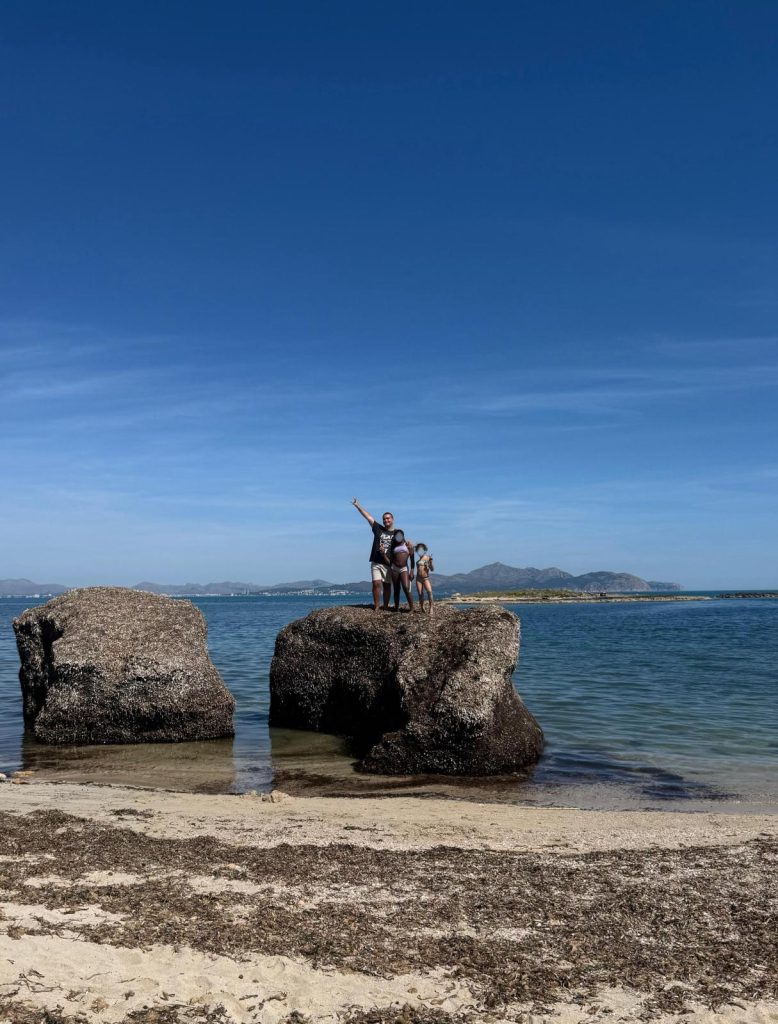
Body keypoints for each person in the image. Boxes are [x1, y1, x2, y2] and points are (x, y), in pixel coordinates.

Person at [351, 498, 395, 610]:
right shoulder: (378, 528)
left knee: (387, 586)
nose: (386, 520)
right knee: (376, 584)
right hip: (376, 562)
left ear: (392, 519)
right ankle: (376, 607)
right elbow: (368, 517)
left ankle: (385, 606)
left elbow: (401, 548)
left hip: (388, 563)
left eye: (388, 518)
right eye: (384, 519)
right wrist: (358, 505)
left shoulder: (396, 533)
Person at [388, 529, 415, 611]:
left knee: (406, 587)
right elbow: (391, 559)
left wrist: (412, 571)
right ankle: (396, 608)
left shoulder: (408, 545)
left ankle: (412, 608)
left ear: (403, 535)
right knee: (396, 589)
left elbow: (412, 559)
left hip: (404, 568)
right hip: (394, 568)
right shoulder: (393, 545)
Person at [414, 543, 435, 614]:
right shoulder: (417, 561)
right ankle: (422, 607)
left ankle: (431, 608)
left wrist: (430, 564)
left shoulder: (428, 558)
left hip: (425, 578)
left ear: (424, 550)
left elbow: (432, 569)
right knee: (420, 593)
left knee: (429, 591)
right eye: (418, 550)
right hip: (418, 579)